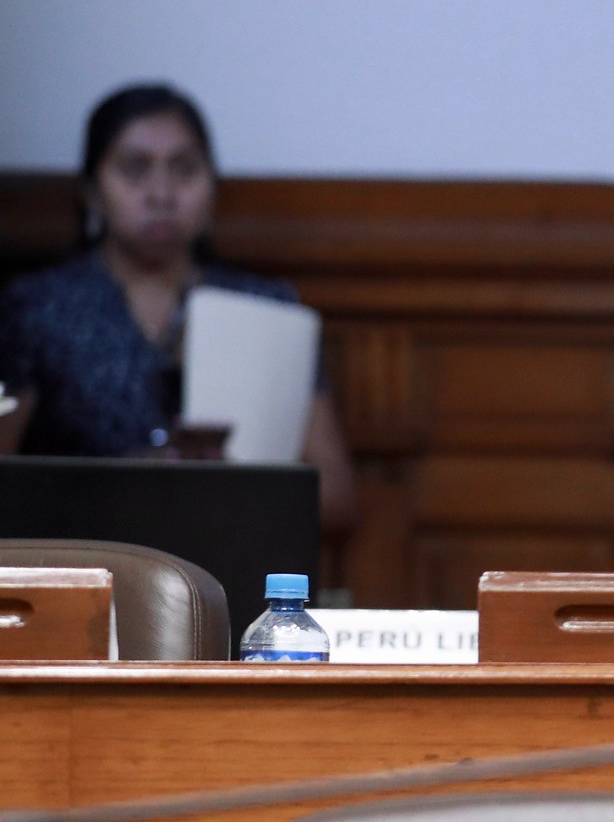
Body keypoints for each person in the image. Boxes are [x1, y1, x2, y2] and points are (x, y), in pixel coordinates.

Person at [0, 84, 356, 533]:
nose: (162, 193)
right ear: (92, 191)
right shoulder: (38, 308)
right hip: (92, 565)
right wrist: (132, 478)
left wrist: (234, 482)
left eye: (184, 170)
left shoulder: (266, 309)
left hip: (234, 560)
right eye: (134, 169)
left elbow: (337, 496)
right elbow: (7, 481)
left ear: (212, 188)